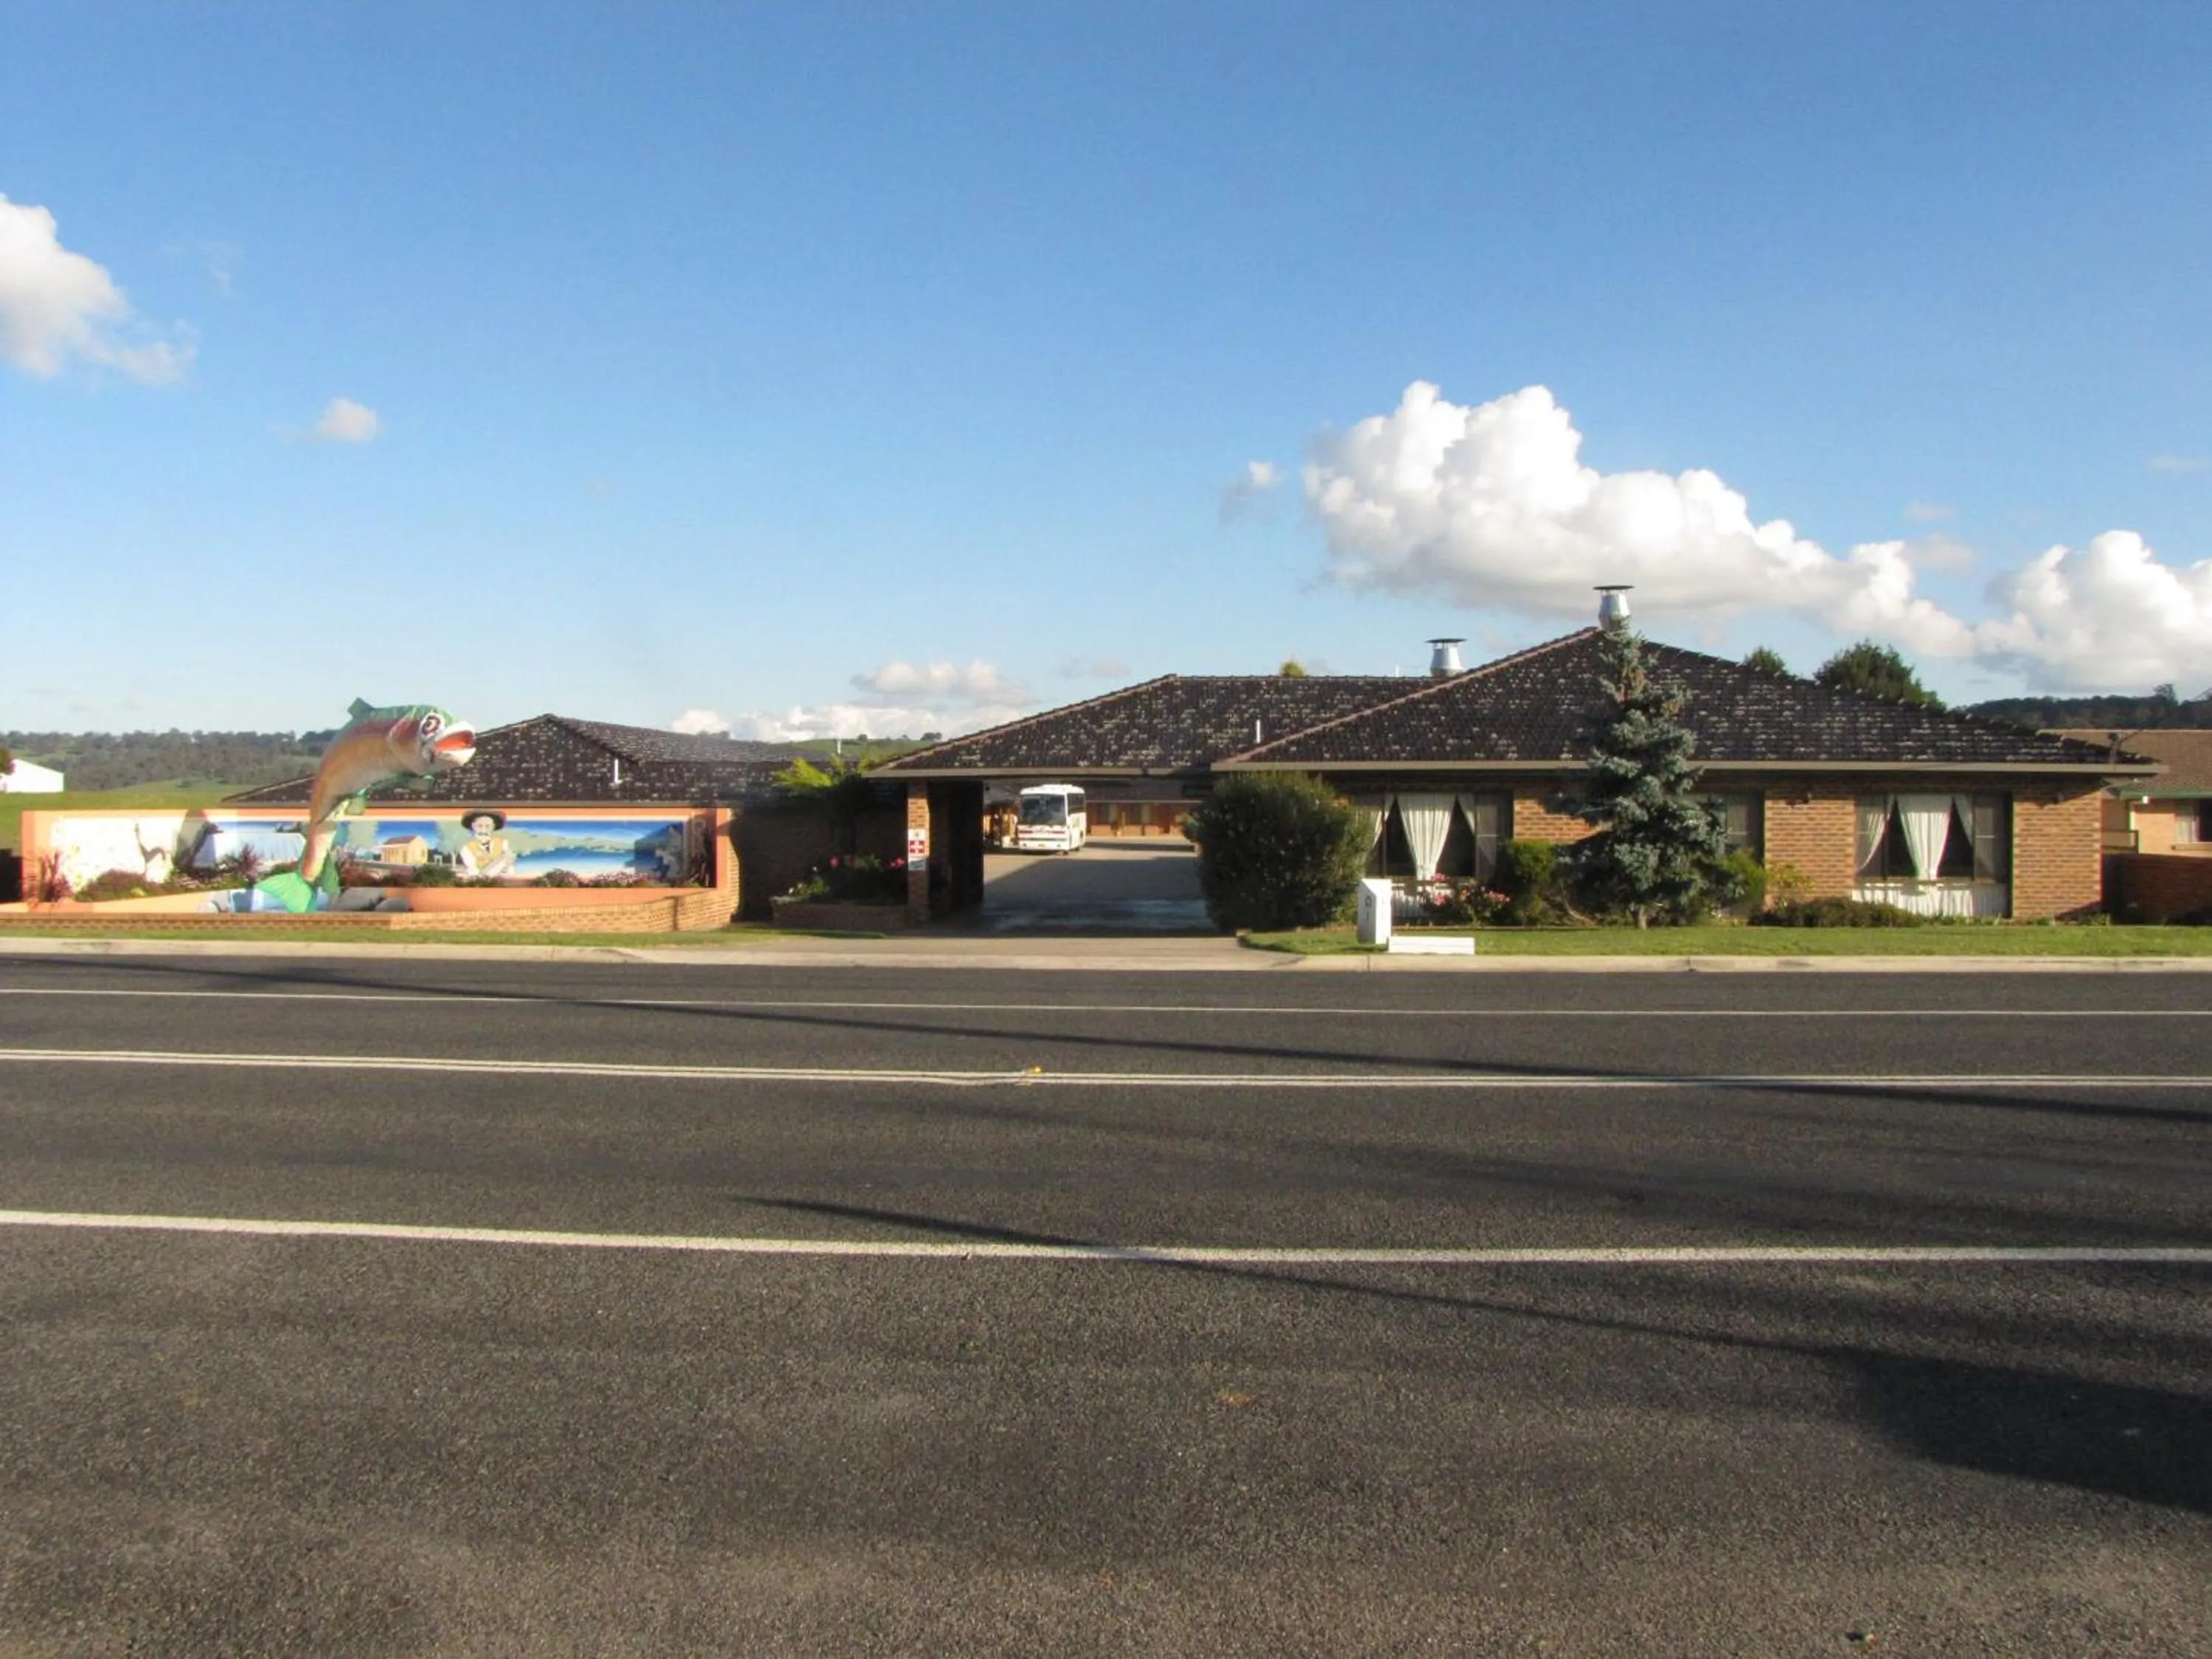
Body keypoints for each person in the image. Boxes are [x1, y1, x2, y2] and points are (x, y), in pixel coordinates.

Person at [455, 810, 518, 878]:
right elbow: (473, 871)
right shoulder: (467, 848)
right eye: (480, 826)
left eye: (488, 826)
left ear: (493, 827)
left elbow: (510, 865)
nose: (484, 830)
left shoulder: (504, 843)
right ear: (473, 826)